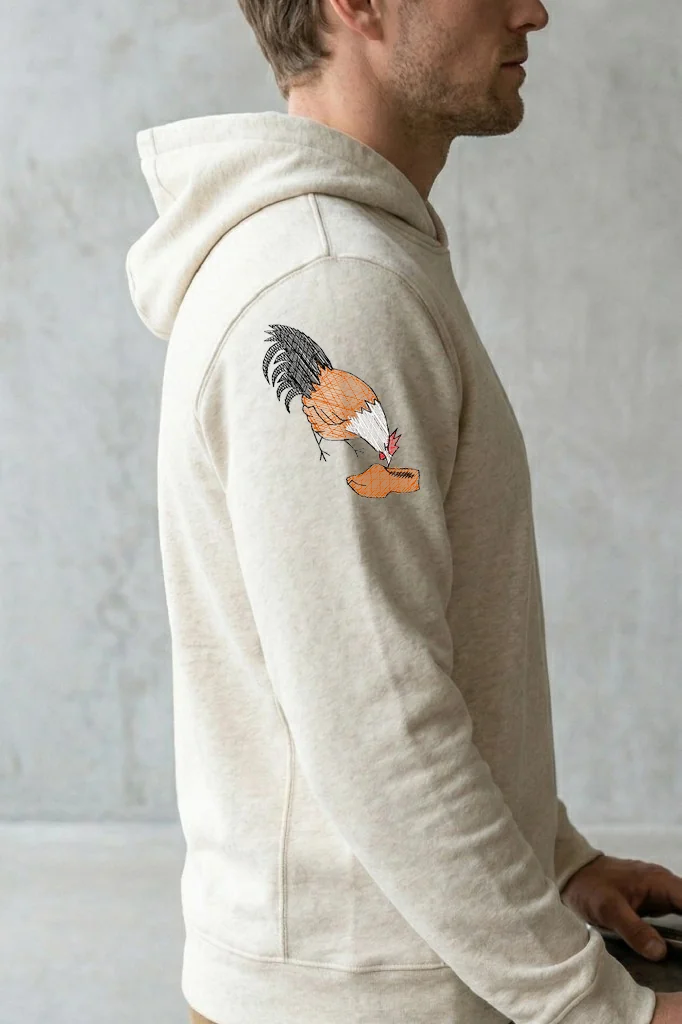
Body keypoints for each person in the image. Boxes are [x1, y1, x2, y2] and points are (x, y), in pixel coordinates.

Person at [125, 1, 681, 1022]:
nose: (533, 10)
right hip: (366, 997)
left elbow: (400, 657)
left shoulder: (355, 257)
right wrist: (601, 1008)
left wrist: (554, 860)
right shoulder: (331, 285)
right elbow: (378, 725)